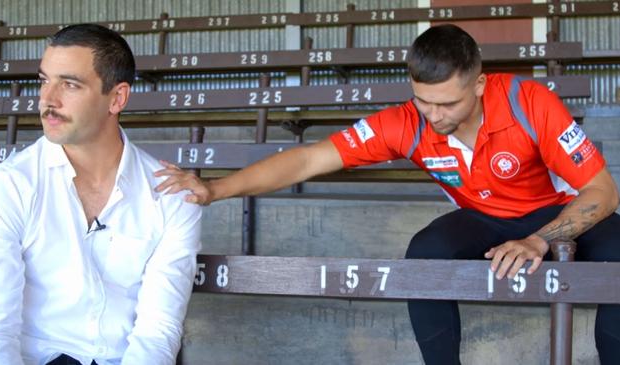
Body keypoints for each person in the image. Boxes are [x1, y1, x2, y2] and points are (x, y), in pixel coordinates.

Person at [154, 24, 620, 364]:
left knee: (619, 257)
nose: (434, 116)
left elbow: (601, 191)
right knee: (425, 253)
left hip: (560, 210)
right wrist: (215, 189)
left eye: (449, 103)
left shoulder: (529, 102)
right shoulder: (405, 122)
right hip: (484, 216)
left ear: (479, 84)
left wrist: (539, 239)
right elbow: (309, 159)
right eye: (424, 100)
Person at [0, 24, 202, 365]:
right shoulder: (9, 186)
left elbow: (157, 330)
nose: (48, 100)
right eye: (44, 80)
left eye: (70, 84)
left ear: (117, 98)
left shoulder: (171, 195)